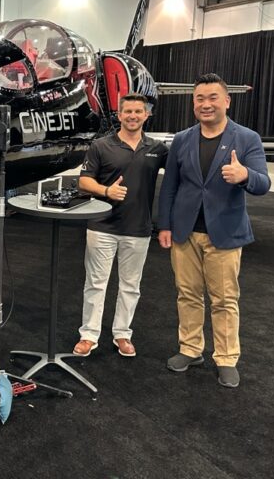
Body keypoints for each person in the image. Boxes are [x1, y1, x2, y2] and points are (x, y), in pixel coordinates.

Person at [158, 73, 270, 389]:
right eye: (200, 99)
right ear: (194, 103)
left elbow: (263, 183)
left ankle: (226, 358)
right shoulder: (182, 139)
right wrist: (164, 224)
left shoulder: (247, 139)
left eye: (212, 98)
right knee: (188, 295)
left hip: (224, 234)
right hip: (184, 232)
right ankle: (191, 350)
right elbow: (169, 187)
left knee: (224, 299)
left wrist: (244, 174)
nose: (206, 104)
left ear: (226, 101)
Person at [72, 94, 168, 358]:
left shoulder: (158, 149)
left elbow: (181, 173)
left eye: (138, 111)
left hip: (138, 228)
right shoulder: (101, 146)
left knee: (130, 285)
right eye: (128, 111)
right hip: (101, 226)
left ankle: (123, 334)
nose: (133, 116)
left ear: (146, 115)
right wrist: (106, 191)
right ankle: (89, 335)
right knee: (95, 283)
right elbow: (83, 182)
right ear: (119, 114)